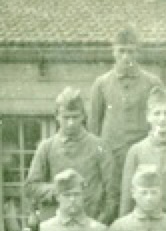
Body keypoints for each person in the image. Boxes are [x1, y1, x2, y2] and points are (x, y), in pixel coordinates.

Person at [88, 27, 163, 201]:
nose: (126, 57)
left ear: (138, 53)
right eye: (121, 51)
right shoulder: (101, 84)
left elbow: (160, 120)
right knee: (112, 198)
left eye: (130, 52)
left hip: (143, 154)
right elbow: (94, 125)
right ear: (113, 52)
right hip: (112, 155)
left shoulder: (152, 82)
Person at [26, 87, 116, 223]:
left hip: (91, 223)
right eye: (66, 117)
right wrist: (58, 189)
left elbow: (112, 193)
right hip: (56, 226)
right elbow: (31, 187)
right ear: (56, 116)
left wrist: (100, 225)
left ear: (84, 116)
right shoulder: (46, 148)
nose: (71, 123)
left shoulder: (100, 147)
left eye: (75, 117)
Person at [119, 86, 166, 220]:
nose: (162, 119)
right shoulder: (137, 151)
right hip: (145, 220)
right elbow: (127, 197)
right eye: (157, 113)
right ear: (148, 116)